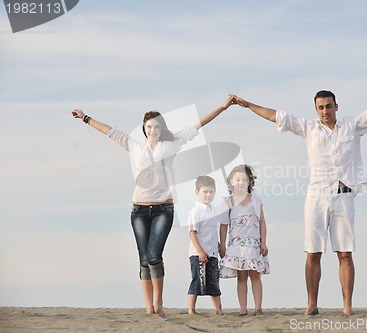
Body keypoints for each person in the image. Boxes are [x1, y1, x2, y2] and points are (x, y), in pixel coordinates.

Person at [231, 82, 367, 316]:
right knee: (313, 252)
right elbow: (277, 116)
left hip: (343, 197)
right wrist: (248, 105)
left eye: (328, 106)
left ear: (336, 106)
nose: (325, 111)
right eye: (320, 107)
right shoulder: (308, 128)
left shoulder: (352, 126)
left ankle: (347, 306)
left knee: (345, 253)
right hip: (316, 197)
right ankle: (311, 304)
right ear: (315, 110)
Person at [71, 96, 236, 316]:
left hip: (163, 208)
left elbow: (198, 124)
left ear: (161, 127)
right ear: (144, 128)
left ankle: (159, 301)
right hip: (138, 209)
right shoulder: (134, 146)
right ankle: (149, 306)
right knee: (143, 259)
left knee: (154, 256)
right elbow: (109, 131)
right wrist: (85, 118)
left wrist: (222, 107)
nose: (153, 129)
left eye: (156, 126)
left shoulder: (172, 144)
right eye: (149, 126)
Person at [219, 164, 270, 316]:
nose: (241, 182)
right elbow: (223, 225)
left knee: (255, 275)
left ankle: (258, 308)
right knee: (241, 277)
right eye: (238, 180)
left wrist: (263, 242)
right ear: (231, 182)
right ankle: (243, 308)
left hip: (253, 244)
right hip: (236, 245)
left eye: (244, 180)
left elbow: (262, 222)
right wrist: (222, 245)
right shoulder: (228, 201)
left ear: (249, 182)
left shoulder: (256, 200)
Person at [187, 175, 224, 315]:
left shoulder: (214, 210)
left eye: (211, 191)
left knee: (214, 281)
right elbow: (192, 233)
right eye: (205, 192)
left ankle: (219, 310)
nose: (208, 195)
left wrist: (219, 246)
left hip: (213, 252)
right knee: (197, 280)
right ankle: (191, 309)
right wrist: (200, 251)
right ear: (197, 193)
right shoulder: (195, 211)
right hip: (198, 253)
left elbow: (213, 232)